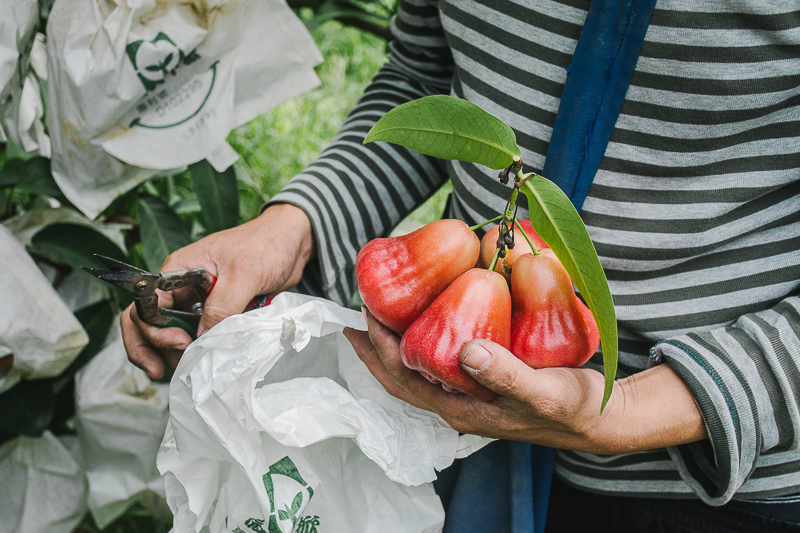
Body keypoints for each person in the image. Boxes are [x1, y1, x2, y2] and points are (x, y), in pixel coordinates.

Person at [121, 0, 800, 530]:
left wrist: (631, 409)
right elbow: (426, 82)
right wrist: (290, 229)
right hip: (460, 443)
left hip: (720, 494)